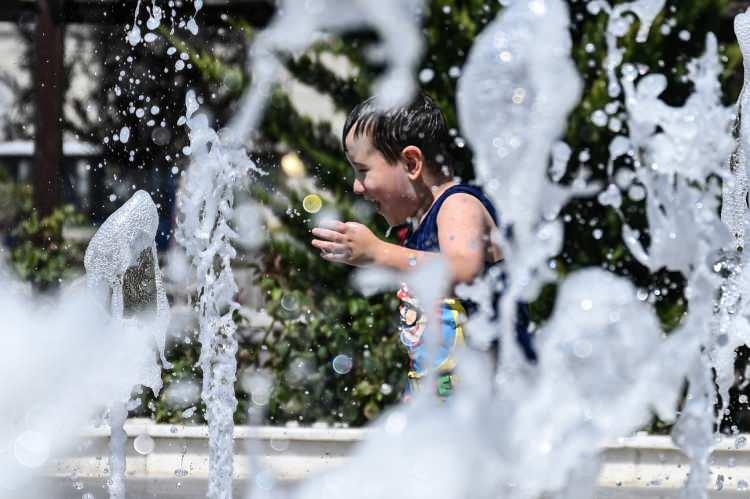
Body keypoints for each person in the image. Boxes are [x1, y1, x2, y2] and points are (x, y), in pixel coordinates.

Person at [310, 93, 534, 399]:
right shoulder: (418, 230)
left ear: (411, 163)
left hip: (501, 401)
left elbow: (464, 268)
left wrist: (378, 252)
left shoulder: (458, 205)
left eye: (363, 170)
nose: (356, 186)